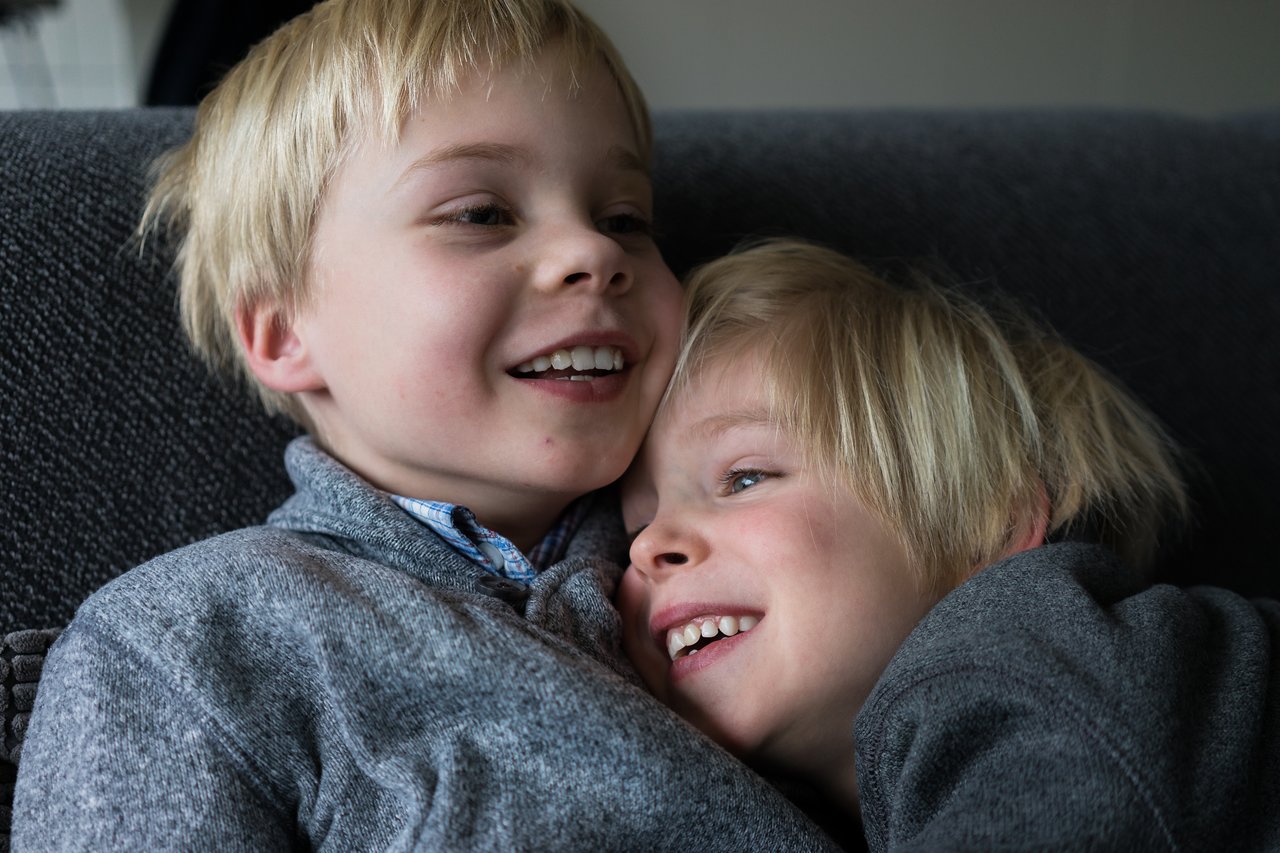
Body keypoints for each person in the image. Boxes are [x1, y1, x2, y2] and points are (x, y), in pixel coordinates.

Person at [11, 3, 840, 849]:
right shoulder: (188, 643)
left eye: (624, 217)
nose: (594, 252)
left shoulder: (746, 567)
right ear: (285, 330)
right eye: (482, 213)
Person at [617, 238, 1280, 850]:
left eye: (744, 477)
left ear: (988, 530)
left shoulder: (1016, 658)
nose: (652, 545)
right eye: (633, 527)